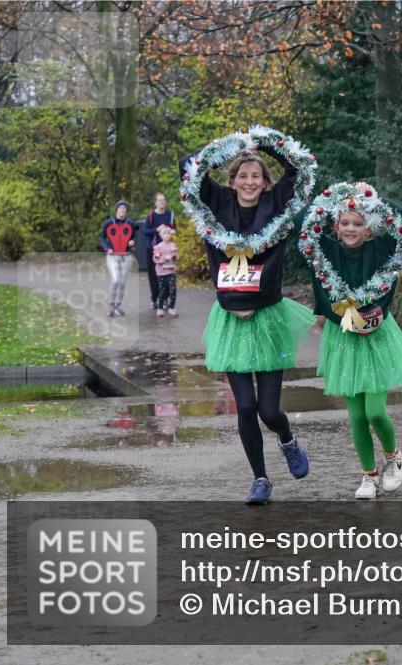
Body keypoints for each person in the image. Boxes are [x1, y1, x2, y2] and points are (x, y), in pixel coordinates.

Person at [179, 138, 314, 505]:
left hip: (268, 316)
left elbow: (298, 168)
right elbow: (187, 166)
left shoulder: (276, 203)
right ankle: (260, 480)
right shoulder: (218, 201)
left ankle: (287, 439)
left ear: (265, 182)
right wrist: (229, 145)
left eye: (256, 176)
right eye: (243, 175)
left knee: (269, 410)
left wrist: (264, 142)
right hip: (230, 318)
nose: (250, 182)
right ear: (232, 180)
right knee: (245, 407)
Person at [308, 182, 402, 500]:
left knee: (375, 412)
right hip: (344, 337)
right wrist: (333, 195)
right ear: (335, 227)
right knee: (357, 417)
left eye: (358, 223)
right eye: (345, 223)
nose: (350, 228)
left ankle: (393, 455)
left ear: (369, 228)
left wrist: (374, 197)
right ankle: (369, 476)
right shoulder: (325, 251)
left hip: (377, 337)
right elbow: (301, 221)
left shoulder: (380, 249)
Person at [98, 200, 136, 317]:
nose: (122, 210)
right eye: (120, 208)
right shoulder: (109, 223)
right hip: (112, 256)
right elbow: (101, 238)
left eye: (124, 208)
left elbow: (134, 236)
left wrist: (133, 241)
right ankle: (111, 305)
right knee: (115, 280)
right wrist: (106, 248)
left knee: (123, 282)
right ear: (116, 210)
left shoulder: (130, 223)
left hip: (126, 256)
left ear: (126, 211)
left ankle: (118, 305)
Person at [141, 193, 176, 309]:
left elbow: (175, 230)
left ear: (165, 202)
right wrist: (157, 229)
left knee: (167, 275)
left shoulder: (170, 215)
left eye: (163, 200)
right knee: (154, 275)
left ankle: (165, 299)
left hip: (167, 251)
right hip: (153, 250)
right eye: (159, 200)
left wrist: (170, 231)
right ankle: (154, 299)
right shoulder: (151, 215)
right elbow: (145, 231)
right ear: (156, 202)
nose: (161, 202)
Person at [152, 224, 179, 318]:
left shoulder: (173, 245)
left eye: (168, 233)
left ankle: (172, 307)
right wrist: (164, 258)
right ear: (160, 235)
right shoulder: (158, 247)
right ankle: (160, 308)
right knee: (162, 291)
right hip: (161, 272)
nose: (167, 235)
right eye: (164, 233)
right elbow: (155, 259)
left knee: (173, 289)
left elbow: (177, 257)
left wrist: (175, 256)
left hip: (171, 271)